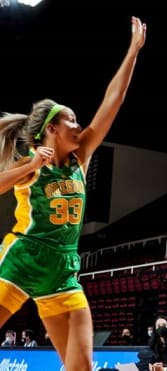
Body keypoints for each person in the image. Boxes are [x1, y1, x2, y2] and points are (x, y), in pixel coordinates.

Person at [0, 16, 146, 371]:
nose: (80, 125)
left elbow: (113, 101)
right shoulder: (30, 164)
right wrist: (29, 166)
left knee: (80, 366)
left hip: (64, 267)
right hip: (23, 258)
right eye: (72, 120)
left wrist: (133, 51)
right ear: (51, 128)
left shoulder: (80, 159)